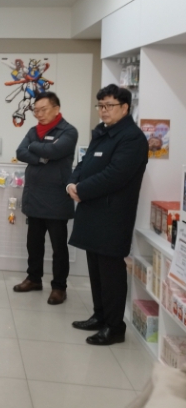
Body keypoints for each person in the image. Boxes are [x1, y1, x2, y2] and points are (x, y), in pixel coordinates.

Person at [68, 84, 148, 346]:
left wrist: (82, 190)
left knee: (111, 273)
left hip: (113, 215)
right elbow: (85, 162)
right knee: (96, 270)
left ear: (125, 107)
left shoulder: (132, 138)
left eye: (109, 106)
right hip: (93, 211)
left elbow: (115, 175)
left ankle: (114, 327)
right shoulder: (102, 132)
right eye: (100, 106)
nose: (103, 111)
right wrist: (72, 182)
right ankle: (100, 316)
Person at [12, 92, 78, 305]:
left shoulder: (68, 131)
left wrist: (34, 147)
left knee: (59, 247)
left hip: (57, 197)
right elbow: (20, 152)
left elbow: (56, 150)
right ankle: (33, 279)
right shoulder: (33, 131)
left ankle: (59, 287)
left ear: (56, 109)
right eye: (36, 111)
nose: (39, 114)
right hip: (34, 196)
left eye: (43, 110)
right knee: (34, 243)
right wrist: (42, 156)